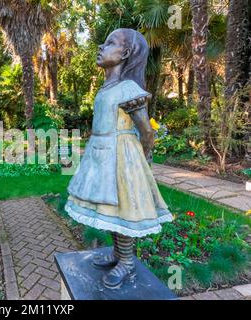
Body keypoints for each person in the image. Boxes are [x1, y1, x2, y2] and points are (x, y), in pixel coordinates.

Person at [65, 28, 173, 288]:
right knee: (109, 209)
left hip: (122, 156)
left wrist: (143, 161)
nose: (101, 47)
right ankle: (117, 254)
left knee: (123, 208)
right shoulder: (106, 88)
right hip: (101, 153)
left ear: (125, 53)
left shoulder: (128, 89)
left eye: (110, 43)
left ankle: (126, 261)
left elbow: (147, 131)